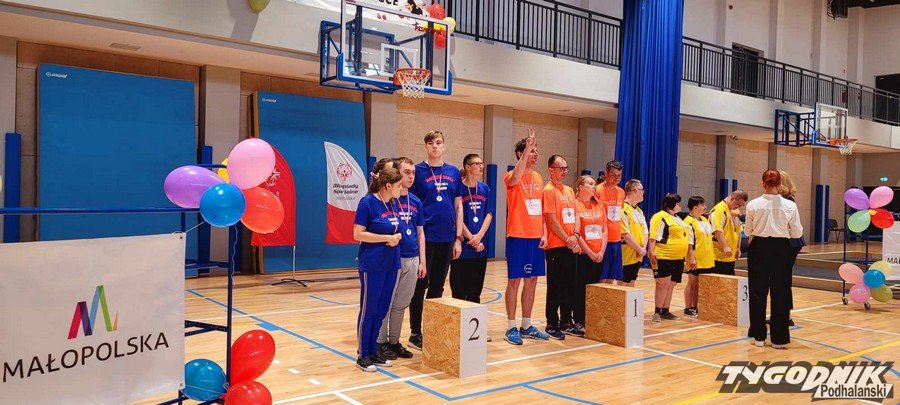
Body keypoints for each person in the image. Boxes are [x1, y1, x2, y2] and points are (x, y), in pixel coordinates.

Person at [407, 130, 462, 350]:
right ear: (426, 147)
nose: (435, 146)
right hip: (426, 237)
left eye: (439, 143)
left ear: (444, 146)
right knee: (420, 286)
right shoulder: (418, 171)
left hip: (447, 238)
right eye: (431, 143)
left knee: (438, 287)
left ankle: (432, 329)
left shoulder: (453, 172)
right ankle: (415, 333)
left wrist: (458, 238)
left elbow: (458, 205)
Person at [352, 166, 403, 372]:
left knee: (381, 309)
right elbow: (358, 234)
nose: (401, 189)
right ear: (388, 185)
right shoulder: (367, 203)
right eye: (398, 186)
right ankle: (363, 354)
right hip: (373, 264)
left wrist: (396, 237)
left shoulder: (392, 203)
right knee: (369, 309)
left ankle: (374, 351)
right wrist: (386, 238)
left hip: (392, 263)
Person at [745, 170, 803, 349]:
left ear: (763, 183)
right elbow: (797, 232)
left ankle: (759, 336)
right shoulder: (789, 205)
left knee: (757, 292)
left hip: (759, 247)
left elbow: (748, 231)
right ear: (779, 184)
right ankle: (779, 339)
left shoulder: (753, 204)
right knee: (781, 292)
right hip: (781, 248)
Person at [503, 129, 551, 345]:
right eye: (531, 151)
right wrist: (526, 151)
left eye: (536, 151)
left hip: (535, 237)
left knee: (532, 280)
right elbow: (515, 178)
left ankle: (526, 325)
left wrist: (544, 233)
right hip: (517, 235)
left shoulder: (539, 177)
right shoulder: (510, 175)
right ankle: (510, 327)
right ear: (520, 154)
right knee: (514, 281)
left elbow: (541, 209)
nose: (535, 154)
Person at [376, 157, 425, 361]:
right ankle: (380, 342)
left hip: (412, 258)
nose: (411, 177)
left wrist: (422, 261)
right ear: (396, 173)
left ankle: (394, 341)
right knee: (386, 302)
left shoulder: (416, 201)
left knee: (401, 303)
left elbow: (420, 233)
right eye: (406, 172)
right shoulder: (387, 200)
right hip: (392, 258)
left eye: (413, 173)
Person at [542, 155, 580, 340]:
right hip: (556, 246)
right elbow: (551, 220)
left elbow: (576, 215)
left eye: (566, 168)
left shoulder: (569, 190)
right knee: (555, 285)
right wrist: (567, 238)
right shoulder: (548, 191)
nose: (565, 171)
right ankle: (552, 323)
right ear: (551, 170)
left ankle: (566, 321)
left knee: (570, 284)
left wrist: (576, 236)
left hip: (571, 245)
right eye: (561, 168)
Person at [450, 154, 493, 304]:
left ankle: (474, 319)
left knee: (475, 291)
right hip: (463, 247)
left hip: (480, 247)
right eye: (477, 164)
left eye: (482, 163)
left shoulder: (484, 188)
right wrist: (471, 238)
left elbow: (489, 214)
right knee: (459, 291)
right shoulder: (458, 188)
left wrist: (479, 237)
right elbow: (457, 214)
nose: (481, 166)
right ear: (467, 167)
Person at [648, 193, 694, 322]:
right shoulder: (660, 216)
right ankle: (657, 311)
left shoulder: (677, 218)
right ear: (670, 205)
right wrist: (651, 251)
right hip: (664, 255)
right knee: (663, 284)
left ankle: (665, 310)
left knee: (671, 284)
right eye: (677, 203)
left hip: (678, 258)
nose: (680, 206)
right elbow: (653, 236)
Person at [573, 175, 607, 336]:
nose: (594, 187)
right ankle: (578, 320)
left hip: (599, 253)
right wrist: (590, 252)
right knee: (580, 288)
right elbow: (577, 232)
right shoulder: (575, 204)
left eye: (595, 184)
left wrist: (601, 251)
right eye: (591, 184)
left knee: (594, 287)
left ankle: (591, 318)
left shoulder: (599, 204)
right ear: (581, 187)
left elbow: (604, 230)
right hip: (583, 254)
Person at [777, 170, 802, 327]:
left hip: (789, 242)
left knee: (783, 279)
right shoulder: (786, 199)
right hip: (790, 242)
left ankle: (785, 315)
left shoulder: (786, 201)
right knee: (783, 279)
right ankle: (784, 314)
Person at [683, 196, 714, 317]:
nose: (705, 207)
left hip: (707, 257)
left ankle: (695, 306)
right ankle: (688, 307)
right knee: (692, 283)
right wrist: (691, 258)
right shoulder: (688, 222)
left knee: (700, 285)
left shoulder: (704, 219)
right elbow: (689, 243)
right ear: (695, 207)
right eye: (702, 205)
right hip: (695, 257)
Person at [595, 161, 625, 283]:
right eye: (613, 175)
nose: (616, 178)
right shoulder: (598, 190)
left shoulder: (621, 192)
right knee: (600, 278)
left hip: (616, 240)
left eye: (619, 175)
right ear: (606, 173)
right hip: (602, 241)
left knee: (611, 278)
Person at [710, 190, 749, 275]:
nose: (738, 207)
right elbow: (717, 230)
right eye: (738, 204)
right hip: (718, 255)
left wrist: (738, 248)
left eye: (741, 205)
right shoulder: (720, 209)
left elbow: (738, 230)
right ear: (732, 199)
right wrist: (725, 246)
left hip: (730, 255)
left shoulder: (735, 211)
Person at [619, 179, 648, 287]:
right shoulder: (623, 208)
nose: (643, 192)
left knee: (632, 284)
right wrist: (639, 249)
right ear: (635, 190)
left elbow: (645, 232)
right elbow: (625, 233)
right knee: (623, 284)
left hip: (638, 255)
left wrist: (643, 248)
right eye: (642, 190)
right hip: (626, 254)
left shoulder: (639, 211)